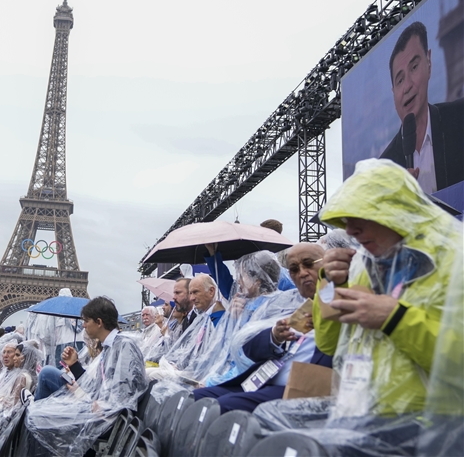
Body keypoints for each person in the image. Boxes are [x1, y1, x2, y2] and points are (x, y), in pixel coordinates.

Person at [315, 158, 462, 419]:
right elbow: (329, 344)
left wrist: (396, 319)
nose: (350, 229)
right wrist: (329, 283)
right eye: (346, 218)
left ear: (395, 209)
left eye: (361, 213)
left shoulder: (455, 258)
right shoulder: (362, 264)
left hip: (436, 429)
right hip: (363, 415)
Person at [192, 243, 333, 412]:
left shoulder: (342, 300)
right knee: (196, 397)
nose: (302, 273)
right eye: (294, 269)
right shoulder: (297, 303)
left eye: (308, 264)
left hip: (306, 388)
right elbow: (247, 348)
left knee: (222, 406)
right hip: (264, 378)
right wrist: (274, 336)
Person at [25, 297, 147, 456]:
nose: (83, 325)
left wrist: (102, 405)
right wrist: (74, 365)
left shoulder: (123, 346)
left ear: (99, 322)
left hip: (105, 419)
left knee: (36, 417)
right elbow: (98, 387)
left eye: (86, 321)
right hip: (99, 412)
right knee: (35, 414)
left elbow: (125, 394)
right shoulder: (112, 346)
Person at [379, 21, 464, 193]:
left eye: (414, 67)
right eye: (400, 80)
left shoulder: (459, 119)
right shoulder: (384, 169)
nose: (408, 86)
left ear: (429, 64)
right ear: (393, 92)